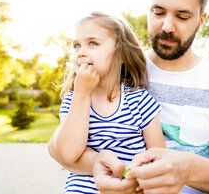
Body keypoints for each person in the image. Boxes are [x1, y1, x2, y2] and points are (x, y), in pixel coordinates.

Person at [50, 0, 209, 194]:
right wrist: (97, 164)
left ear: (201, 21)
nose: (167, 26)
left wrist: (187, 169)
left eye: (182, 16)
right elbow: (59, 151)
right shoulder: (118, 68)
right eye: (158, 12)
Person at [48, 11, 165, 194]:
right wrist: (82, 94)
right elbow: (68, 153)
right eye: (76, 46)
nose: (81, 53)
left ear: (121, 54)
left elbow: (158, 159)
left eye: (93, 43)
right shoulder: (74, 99)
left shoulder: (139, 101)